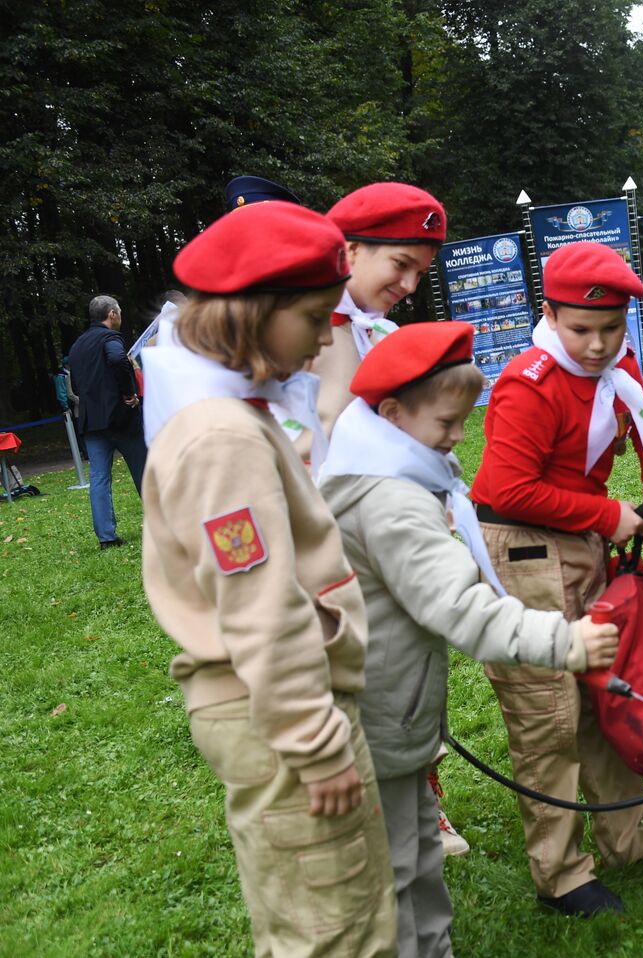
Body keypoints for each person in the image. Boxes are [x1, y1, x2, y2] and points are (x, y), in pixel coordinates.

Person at [139, 201, 397, 955]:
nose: (326, 338)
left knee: (334, 908)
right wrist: (315, 743)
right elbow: (259, 605)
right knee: (334, 928)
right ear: (253, 315)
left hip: (279, 706)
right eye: (315, 317)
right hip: (281, 713)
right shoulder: (222, 437)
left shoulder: (226, 412)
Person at [318, 321, 620, 956]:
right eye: (447, 424)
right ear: (393, 413)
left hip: (391, 704)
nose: (459, 439)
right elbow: (459, 606)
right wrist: (564, 643)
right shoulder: (393, 503)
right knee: (398, 867)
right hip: (381, 712)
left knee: (418, 852)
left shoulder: (379, 471)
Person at [471, 241, 643, 918]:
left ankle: (628, 839)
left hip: (584, 541)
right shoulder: (530, 382)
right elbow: (506, 488)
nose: (599, 345)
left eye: (611, 329)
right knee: (548, 714)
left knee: (609, 693)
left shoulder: (620, 369)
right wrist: (610, 513)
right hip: (525, 554)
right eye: (582, 329)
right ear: (548, 313)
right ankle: (560, 874)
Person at [311, 182, 446, 449]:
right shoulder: (295, 329)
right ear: (352, 249)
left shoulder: (379, 330)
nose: (410, 286)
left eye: (419, 273)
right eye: (401, 264)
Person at [68, 295, 147, 548]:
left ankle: (106, 537)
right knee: (144, 470)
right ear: (112, 314)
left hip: (92, 420)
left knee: (99, 478)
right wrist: (129, 394)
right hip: (120, 417)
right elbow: (115, 359)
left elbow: (77, 385)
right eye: (120, 312)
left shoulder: (77, 345)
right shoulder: (110, 338)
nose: (120, 316)